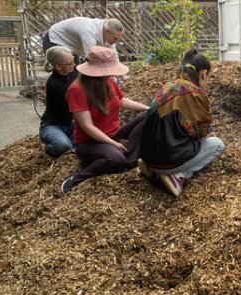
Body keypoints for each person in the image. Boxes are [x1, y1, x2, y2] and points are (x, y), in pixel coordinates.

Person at [60, 46, 149, 194]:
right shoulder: (77, 90)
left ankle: (129, 161)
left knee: (148, 116)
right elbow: (88, 126)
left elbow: (122, 101)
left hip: (113, 134)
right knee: (116, 160)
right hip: (90, 142)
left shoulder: (107, 80)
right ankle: (77, 178)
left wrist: (148, 109)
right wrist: (114, 144)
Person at [138, 48, 225, 197]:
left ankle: (151, 170)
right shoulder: (194, 93)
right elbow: (198, 131)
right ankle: (179, 175)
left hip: (147, 155)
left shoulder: (168, 86)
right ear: (203, 74)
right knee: (217, 144)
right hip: (168, 160)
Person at [38, 46, 77, 158]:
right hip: (53, 125)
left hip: (70, 124)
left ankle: (70, 143)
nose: (74, 65)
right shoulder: (54, 84)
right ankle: (48, 149)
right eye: (70, 63)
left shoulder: (73, 73)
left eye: (73, 61)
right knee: (63, 146)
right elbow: (73, 106)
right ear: (58, 66)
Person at [42, 17, 124, 62]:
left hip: (71, 48)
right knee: (66, 76)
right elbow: (91, 59)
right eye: (115, 38)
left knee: (75, 75)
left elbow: (114, 57)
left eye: (118, 39)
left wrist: (124, 77)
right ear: (106, 31)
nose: (116, 41)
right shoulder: (89, 31)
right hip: (54, 40)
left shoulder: (108, 32)